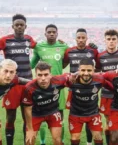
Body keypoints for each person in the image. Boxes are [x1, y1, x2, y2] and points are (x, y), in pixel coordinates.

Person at [0, 14, 36, 145]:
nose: (19, 27)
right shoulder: (5, 40)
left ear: (25, 26)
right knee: (11, 117)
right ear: (13, 26)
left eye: (22, 25)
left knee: (28, 117)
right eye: (17, 25)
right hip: (12, 84)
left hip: (27, 83)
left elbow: (41, 46)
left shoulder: (29, 39)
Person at [30, 24, 68, 144]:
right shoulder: (39, 47)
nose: (51, 34)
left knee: (60, 116)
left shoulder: (63, 46)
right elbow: (32, 64)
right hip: (42, 87)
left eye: (54, 32)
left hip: (59, 87)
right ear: (45, 33)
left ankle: (60, 141)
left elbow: (66, 62)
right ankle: (42, 142)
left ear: (57, 34)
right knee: (40, 116)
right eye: (49, 32)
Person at [63, 28, 99, 145]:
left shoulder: (92, 51)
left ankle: (89, 142)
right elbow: (63, 65)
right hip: (74, 88)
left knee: (90, 114)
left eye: (83, 38)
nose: (81, 40)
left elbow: (98, 67)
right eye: (79, 38)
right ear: (75, 38)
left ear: (86, 38)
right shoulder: (69, 51)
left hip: (89, 87)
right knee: (76, 113)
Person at [22, 61, 71, 145]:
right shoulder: (29, 88)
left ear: (50, 75)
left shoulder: (58, 81)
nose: (43, 78)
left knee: (57, 140)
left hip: (53, 112)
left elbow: (71, 76)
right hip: (36, 114)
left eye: (46, 74)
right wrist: (30, 129)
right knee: (29, 141)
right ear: (35, 75)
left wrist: (73, 77)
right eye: (40, 75)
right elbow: (27, 109)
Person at [96, 29, 118, 145]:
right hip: (106, 94)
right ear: (105, 40)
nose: (111, 41)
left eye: (113, 39)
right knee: (108, 124)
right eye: (109, 39)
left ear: (117, 40)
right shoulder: (100, 56)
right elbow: (97, 72)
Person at [68, 59, 113, 145]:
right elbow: (56, 80)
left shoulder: (99, 80)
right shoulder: (71, 80)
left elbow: (113, 88)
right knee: (75, 138)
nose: (86, 73)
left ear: (94, 70)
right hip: (76, 114)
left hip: (93, 113)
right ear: (78, 70)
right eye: (83, 70)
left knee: (98, 137)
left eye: (89, 70)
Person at [0, 59, 30, 145]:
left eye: (11, 72)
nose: (8, 75)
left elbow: (26, 82)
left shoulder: (13, 80)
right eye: (5, 71)